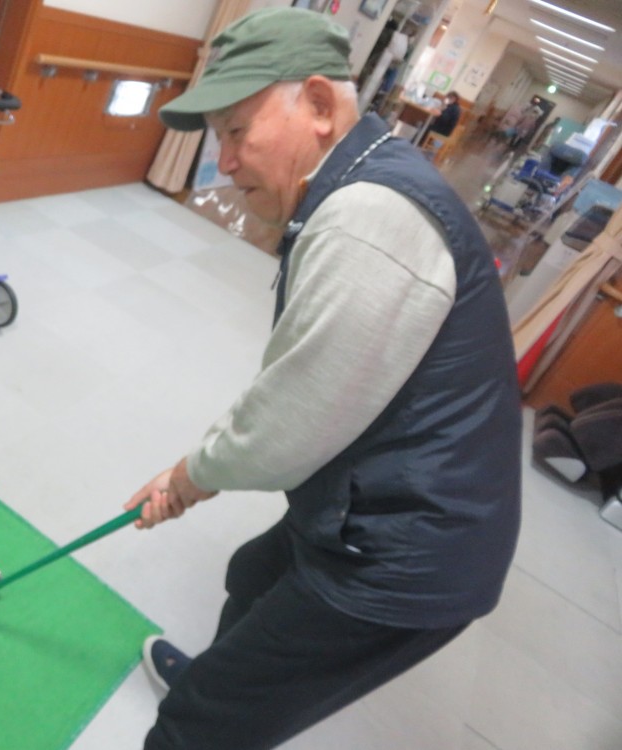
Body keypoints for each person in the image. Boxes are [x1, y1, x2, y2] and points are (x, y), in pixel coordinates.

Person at [124, 8, 522, 749]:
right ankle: (221, 686)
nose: (227, 162)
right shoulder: (358, 179)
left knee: (196, 729)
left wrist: (185, 479)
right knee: (252, 574)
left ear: (316, 103)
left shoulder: (370, 217)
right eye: (219, 140)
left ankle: (212, 710)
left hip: (408, 554)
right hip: (380, 497)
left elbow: (292, 420)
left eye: (237, 132)